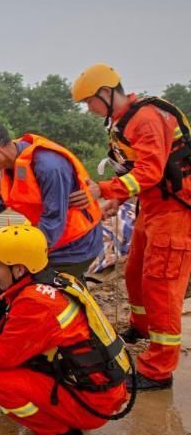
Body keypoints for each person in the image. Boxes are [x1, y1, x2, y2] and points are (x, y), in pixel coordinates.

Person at [69, 62, 191, 390]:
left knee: (162, 286)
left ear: (107, 93)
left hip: (177, 210)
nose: (89, 109)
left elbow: (150, 172)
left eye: (89, 102)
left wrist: (102, 190)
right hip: (153, 206)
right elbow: (133, 171)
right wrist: (116, 201)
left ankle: (159, 369)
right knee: (135, 272)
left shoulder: (147, 119)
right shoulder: (124, 121)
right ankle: (141, 327)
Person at [0, 225, 130, 435]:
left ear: (19, 270)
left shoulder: (35, 303)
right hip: (103, 389)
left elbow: (4, 353)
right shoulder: (58, 280)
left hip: (93, 404)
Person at [0, 121, 103, 281]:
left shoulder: (49, 167)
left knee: (33, 285)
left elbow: (53, 219)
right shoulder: (11, 162)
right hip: (53, 236)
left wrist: (23, 252)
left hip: (75, 244)